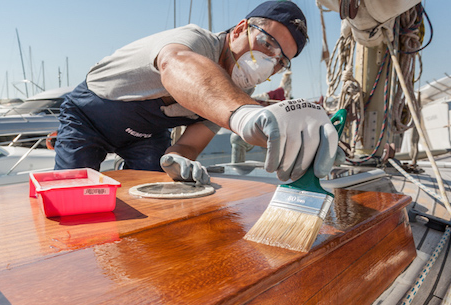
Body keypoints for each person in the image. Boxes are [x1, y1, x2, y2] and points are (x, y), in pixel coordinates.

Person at [54, 1, 340, 185]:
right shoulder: (195, 41)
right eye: (267, 43)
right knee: (72, 193)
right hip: (89, 117)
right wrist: (245, 114)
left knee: (154, 196)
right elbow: (175, 64)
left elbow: (189, 145)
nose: (271, 60)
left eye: (281, 60)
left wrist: (179, 158)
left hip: (146, 136)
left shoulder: (240, 89)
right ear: (241, 29)